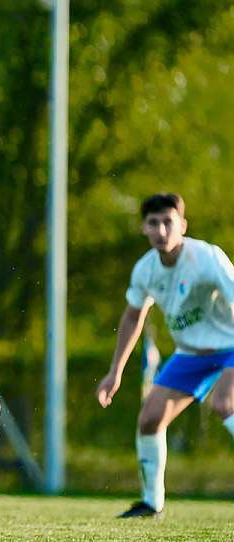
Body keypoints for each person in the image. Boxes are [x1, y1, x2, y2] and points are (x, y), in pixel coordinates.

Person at [96, 192, 234, 518]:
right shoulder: (145, 270)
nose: (161, 230)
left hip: (231, 346)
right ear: (144, 228)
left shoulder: (207, 257)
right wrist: (115, 371)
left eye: (168, 222)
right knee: (149, 419)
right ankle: (151, 503)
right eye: (153, 223)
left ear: (182, 225)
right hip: (190, 355)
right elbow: (133, 316)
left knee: (224, 404)